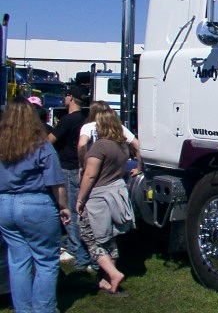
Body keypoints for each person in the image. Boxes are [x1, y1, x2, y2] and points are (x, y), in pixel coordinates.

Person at [0, 97, 71, 313]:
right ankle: (43, 309)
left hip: (5, 204)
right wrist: (64, 207)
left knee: (18, 260)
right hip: (35, 202)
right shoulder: (41, 145)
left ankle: (23, 308)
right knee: (46, 261)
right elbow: (57, 183)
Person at [76, 108, 135, 294]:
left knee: (90, 237)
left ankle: (113, 273)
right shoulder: (122, 146)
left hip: (98, 198)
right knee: (109, 238)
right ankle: (107, 279)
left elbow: (90, 175)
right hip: (115, 195)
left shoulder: (100, 146)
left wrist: (80, 198)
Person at [48, 86, 92, 270]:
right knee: (79, 210)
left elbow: (49, 140)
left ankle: (78, 253)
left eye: (65, 95)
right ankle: (78, 247)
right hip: (80, 167)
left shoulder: (67, 120)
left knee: (70, 212)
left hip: (67, 167)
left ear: (71, 98)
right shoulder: (85, 120)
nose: (64, 98)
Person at [77, 100, 142, 177]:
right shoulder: (119, 127)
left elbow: (82, 145)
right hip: (114, 170)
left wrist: (82, 164)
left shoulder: (88, 127)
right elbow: (137, 145)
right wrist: (139, 168)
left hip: (93, 167)